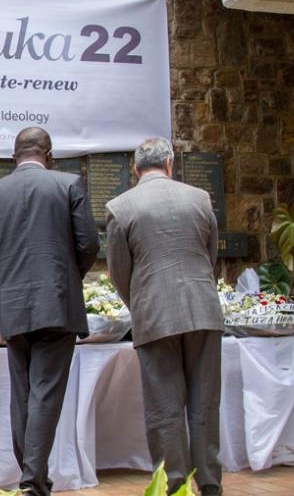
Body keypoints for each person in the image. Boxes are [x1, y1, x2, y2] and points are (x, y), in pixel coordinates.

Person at [0, 126, 99, 496]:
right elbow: (88, 244)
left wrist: (5, 284)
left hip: (13, 306)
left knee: (22, 391)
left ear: (14, 157)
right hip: (57, 303)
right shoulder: (69, 184)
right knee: (44, 392)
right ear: (50, 155)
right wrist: (66, 279)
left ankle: (33, 479)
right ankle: (32, 482)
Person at [104, 137, 224, 496]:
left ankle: (174, 484)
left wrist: (139, 302)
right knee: (205, 403)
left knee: (164, 406)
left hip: (154, 314)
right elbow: (210, 254)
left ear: (135, 169)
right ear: (170, 164)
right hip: (203, 309)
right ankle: (210, 483)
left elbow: (119, 271)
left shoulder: (120, 207)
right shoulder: (200, 198)